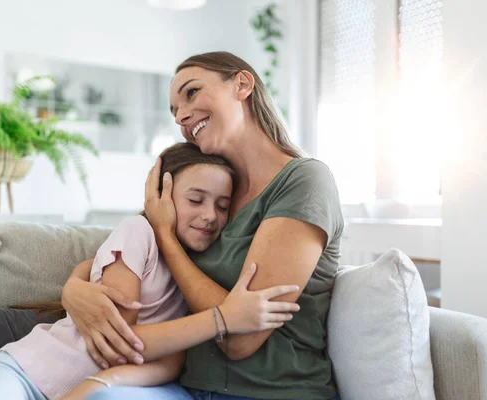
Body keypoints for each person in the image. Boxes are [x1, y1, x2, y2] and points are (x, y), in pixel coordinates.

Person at [62, 51, 344, 400]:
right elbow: (135, 256)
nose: (180, 115)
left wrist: (167, 236)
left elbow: (240, 337)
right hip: (186, 388)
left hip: (274, 392)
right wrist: (73, 287)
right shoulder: (212, 193)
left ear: (242, 85)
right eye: (174, 110)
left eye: (191, 93)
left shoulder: (304, 181)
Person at [0, 142, 300, 400]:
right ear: (160, 196)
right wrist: (223, 317)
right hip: (24, 373)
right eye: (196, 200)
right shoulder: (139, 233)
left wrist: (101, 383)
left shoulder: (200, 268)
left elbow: (172, 361)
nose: (210, 215)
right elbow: (120, 342)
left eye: (222, 206)